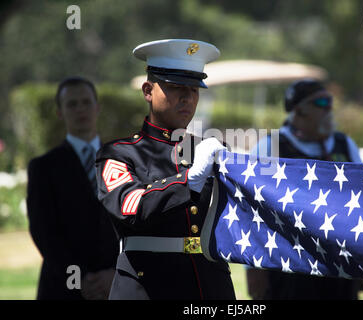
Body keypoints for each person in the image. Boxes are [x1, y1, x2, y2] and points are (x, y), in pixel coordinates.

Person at [96, 39, 236, 300]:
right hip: (148, 287)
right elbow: (131, 207)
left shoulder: (210, 150)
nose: (187, 97)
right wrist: (189, 181)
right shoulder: (119, 153)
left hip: (210, 286)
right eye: (175, 87)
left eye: (194, 89)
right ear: (148, 90)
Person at [247, 78, 363, 300]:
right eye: (321, 102)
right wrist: (253, 269)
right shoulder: (271, 147)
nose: (329, 108)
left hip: (340, 264)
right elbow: (252, 210)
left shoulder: (344, 145)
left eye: (330, 101)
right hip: (288, 266)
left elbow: (362, 203)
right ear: (299, 111)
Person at [26, 76, 119, 300]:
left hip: (116, 286)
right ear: (60, 112)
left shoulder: (124, 161)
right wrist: (79, 282)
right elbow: (44, 233)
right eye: (72, 104)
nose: (80, 109)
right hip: (63, 289)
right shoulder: (44, 168)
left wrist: (116, 275)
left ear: (97, 108)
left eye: (86, 102)